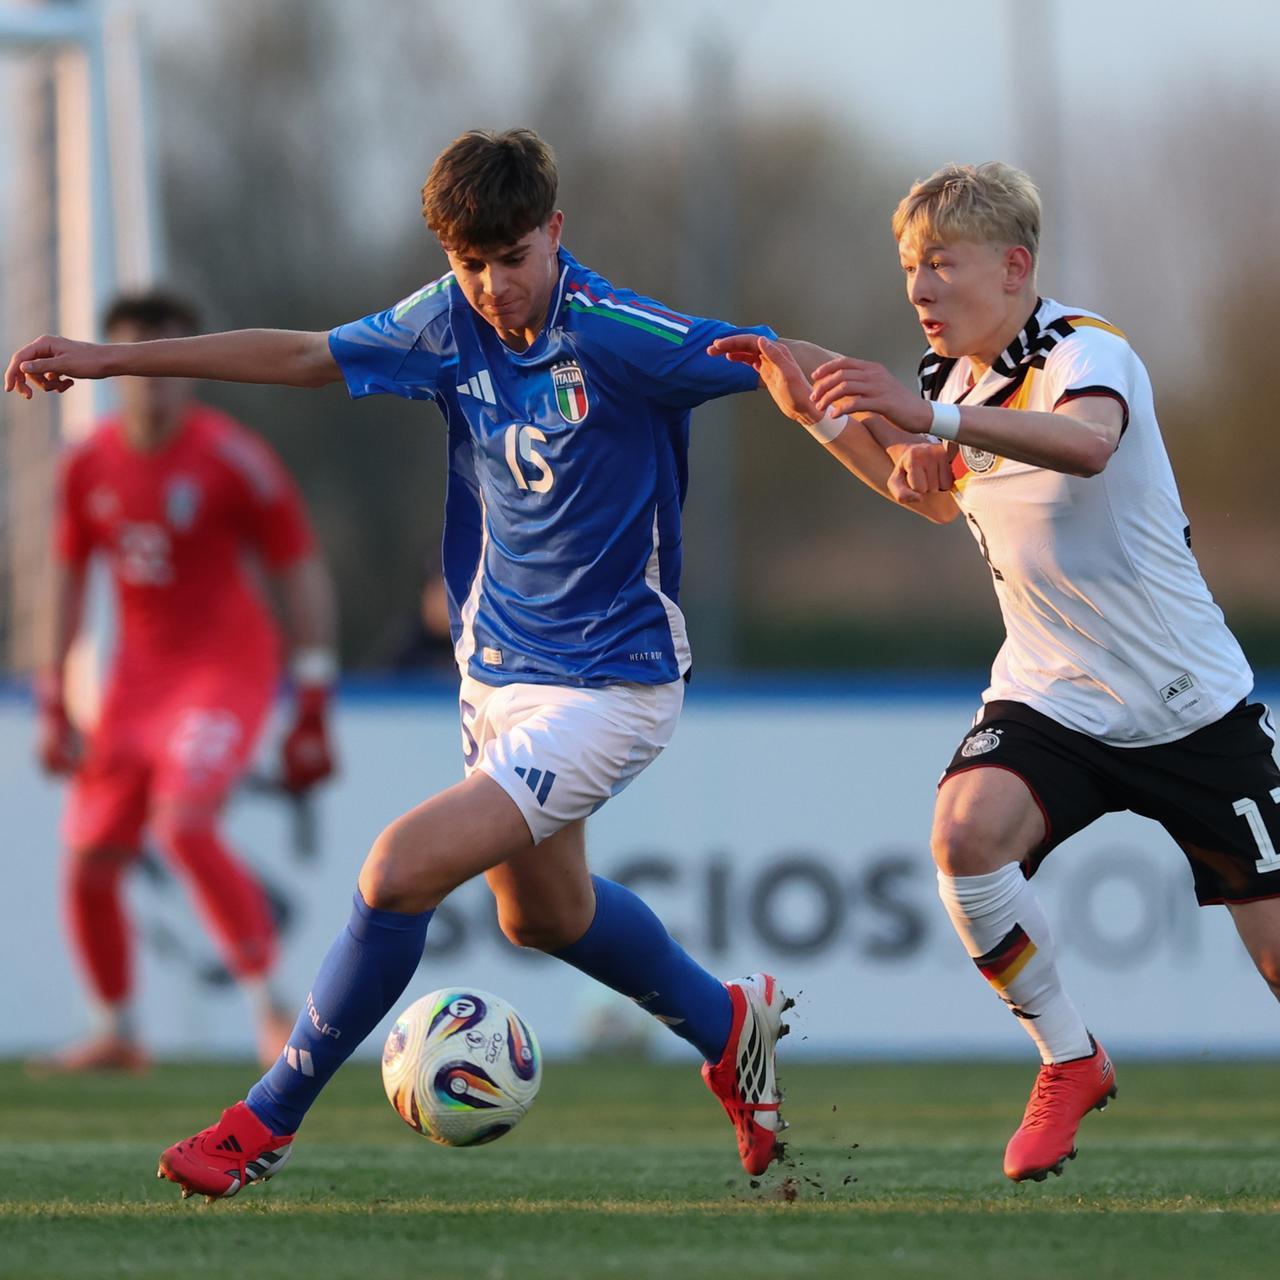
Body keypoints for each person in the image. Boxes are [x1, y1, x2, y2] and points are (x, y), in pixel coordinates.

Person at [6, 130, 808, 1199]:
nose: (491, 285)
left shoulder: (614, 334)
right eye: (469, 262)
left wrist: (890, 429)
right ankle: (728, 1026)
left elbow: (763, 357)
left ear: (554, 235)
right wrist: (112, 362)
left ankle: (265, 1120)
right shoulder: (444, 320)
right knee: (545, 917)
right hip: (498, 679)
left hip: (611, 686)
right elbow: (300, 353)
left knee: (395, 868)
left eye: (511, 257)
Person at [712, 162, 1280, 1184]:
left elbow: (1087, 445)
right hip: (1050, 695)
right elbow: (930, 498)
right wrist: (824, 419)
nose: (917, 289)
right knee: (963, 835)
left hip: (1188, 709)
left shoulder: (1083, 349)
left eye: (939, 264)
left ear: (1013, 265)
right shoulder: (950, 384)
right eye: (906, 269)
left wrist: (933, 426)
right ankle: (1068, 1055)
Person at [28, 291, 338, 1074]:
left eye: (166, 358)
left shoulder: (233, 459)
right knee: (90, 861)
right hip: (135, 685)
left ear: (184, 366)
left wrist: (312, 697)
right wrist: (54, 696)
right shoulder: (88, 465)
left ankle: (276, 1014)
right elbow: (63, 582)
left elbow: (299, 572)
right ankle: (117, 1030)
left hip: (224, 671)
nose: (153, 380)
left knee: (183, 826)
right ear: (118, 367)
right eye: (137, 358)